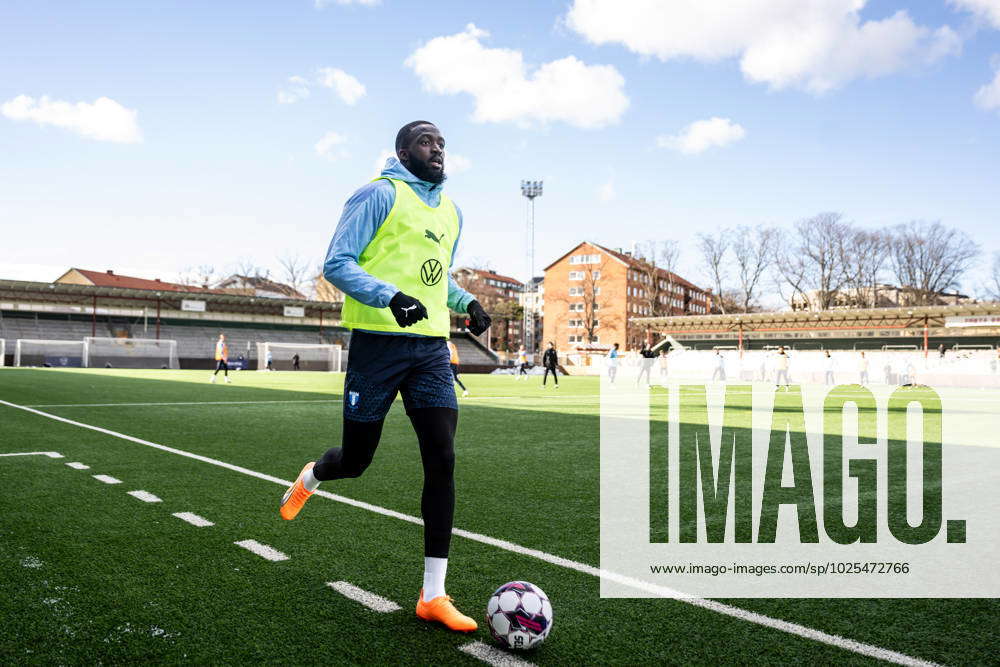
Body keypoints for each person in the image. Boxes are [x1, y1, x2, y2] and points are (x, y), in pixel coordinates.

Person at [278, 121, 491, 632]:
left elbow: (439, 277)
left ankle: (433, 594)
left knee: (442, 458)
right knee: (356, 460)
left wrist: (467, 302)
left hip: (431, 352)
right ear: (402, 151)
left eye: (442, 142)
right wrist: (389, 297)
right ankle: (313, 475)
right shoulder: (376, 195)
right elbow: (337, 263)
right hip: (377, 349)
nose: (437, 149)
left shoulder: (451, 211)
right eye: (426, 141)